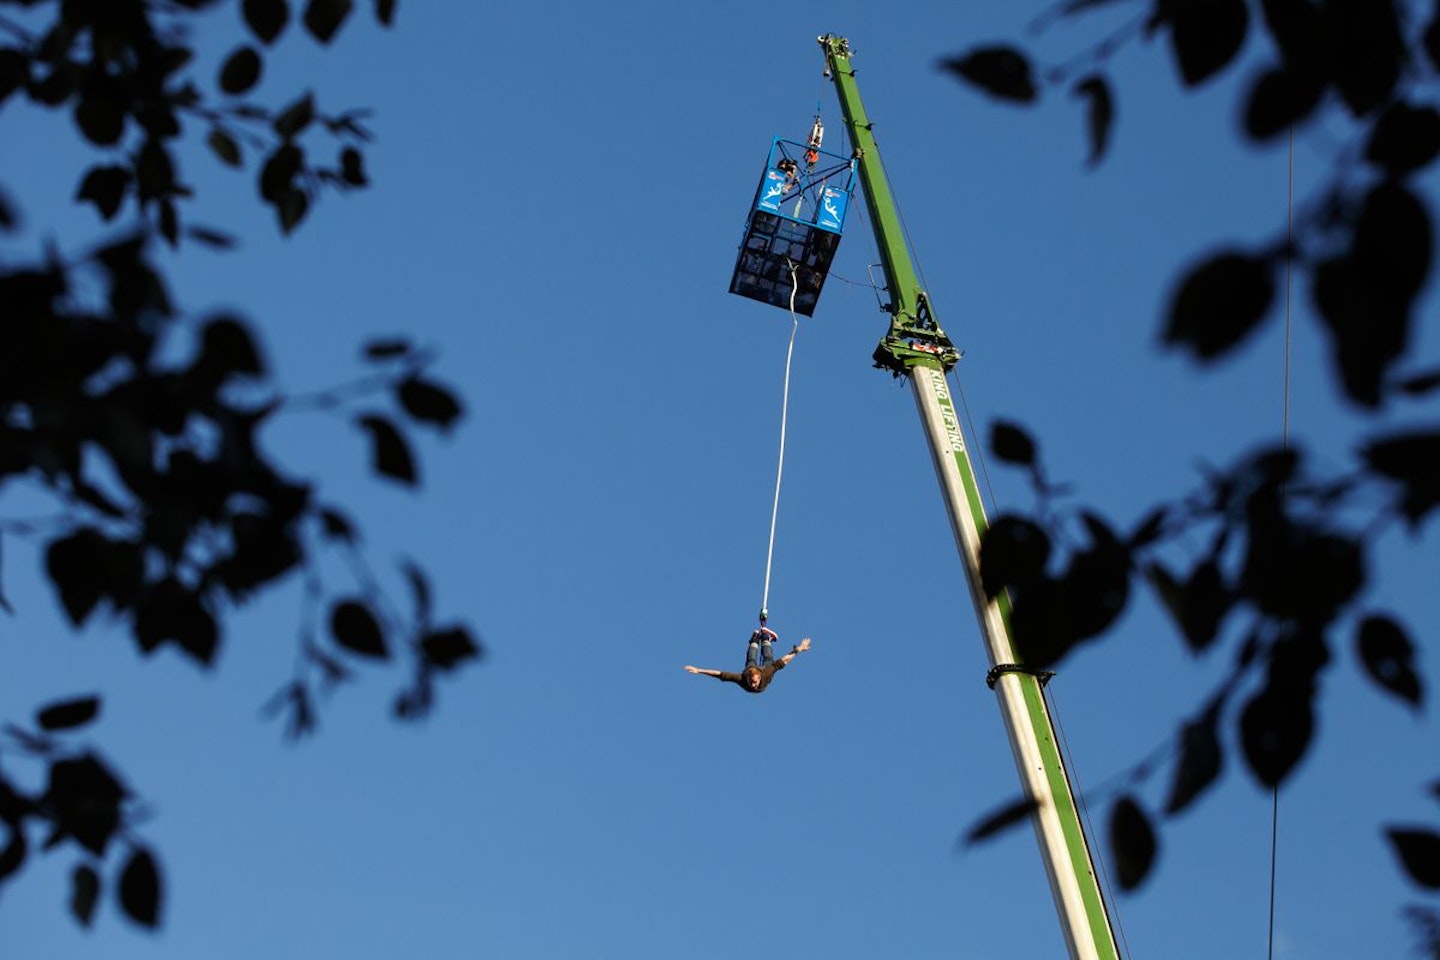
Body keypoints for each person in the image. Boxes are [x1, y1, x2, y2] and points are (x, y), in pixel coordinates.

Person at [684, 628, 811, 694]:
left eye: (754, 683)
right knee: (758, 659)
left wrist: (798, 650)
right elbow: (719, 674)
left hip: (764, 672)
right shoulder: (743, 677)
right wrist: (699, 670)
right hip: (753, 669)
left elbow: (784, 660)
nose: (754, 685)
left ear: (759, 677)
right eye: (753, 683)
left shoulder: (766, 673)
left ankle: (758, 638)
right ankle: (765, 638)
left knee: (765, 660)